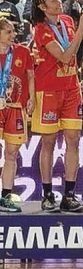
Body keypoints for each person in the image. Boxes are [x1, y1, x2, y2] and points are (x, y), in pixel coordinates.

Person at [30, 0, 83, 212]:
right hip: (48, 90)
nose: (57, 2)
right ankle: (47, 194)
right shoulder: (41, 29)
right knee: (48, 142)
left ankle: (69, 194)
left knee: (73, 139)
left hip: (71, 89)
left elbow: (72, 53)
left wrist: (78, 29)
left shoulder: (67, 20)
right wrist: (82, 30)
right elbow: (66, 57)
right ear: (41, 6)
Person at [0, 19, 34, 213]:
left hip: (15, 106)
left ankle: (5, 196)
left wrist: (32, 98)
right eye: (8, 32)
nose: (13, 35)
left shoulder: (22, 51)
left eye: (13, 31)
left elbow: (30, 76)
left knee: (11, 153)